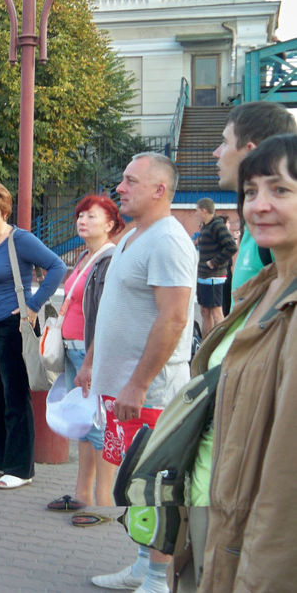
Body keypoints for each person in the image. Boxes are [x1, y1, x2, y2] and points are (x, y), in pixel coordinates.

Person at [77, 153, 197, 593]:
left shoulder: (169, 240)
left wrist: (139, 383)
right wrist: (91, 362)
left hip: (150, 394)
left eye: (130, 181)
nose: (120, 188)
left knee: (155, 487)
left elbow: (173, 319)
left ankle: (156, 579)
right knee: (134, 486)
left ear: (159, 190)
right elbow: (112, 311)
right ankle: (142, 563)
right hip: (121, 391)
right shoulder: (131, 237)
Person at [194, 135, 297, 592]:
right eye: (251, 192)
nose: (259, 206)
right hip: (229, 531)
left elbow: (285, 477)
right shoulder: (263, 289)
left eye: (280, 190)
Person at [0, 182, 65, 488]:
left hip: (14, 327)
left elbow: (56, 267)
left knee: (15, 396)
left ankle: (21, 469)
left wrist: (33, 306)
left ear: (4, 211)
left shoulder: (20, 239)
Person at [46, 194, 124, 512]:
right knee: (83, 423)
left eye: (91, 216)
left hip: (89, 353)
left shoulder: (108, 261)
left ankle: (103, 503)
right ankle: (82, 495)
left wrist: (91, 362)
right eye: (80, 215)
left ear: (110, 224)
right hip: (74, 349)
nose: (82, 220)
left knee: (98, 427)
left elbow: (107, 318)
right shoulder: (85, 257)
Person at [213, 101, 296, 292]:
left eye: (225, 143)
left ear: (252, 151)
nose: (216, 153)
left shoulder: (278, 232)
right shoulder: (259, 225)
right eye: (251, 192)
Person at [193, 198, 237, 334]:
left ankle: (220, 346)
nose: (195, 214)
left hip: (214, 277)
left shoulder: (217, 225)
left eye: (197, 211)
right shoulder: (206, 226)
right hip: (203, 276)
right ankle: (207, 345)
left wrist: (213, 262)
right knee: (204, 311)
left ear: (204, 211)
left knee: (216, 312)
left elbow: (231, 246)